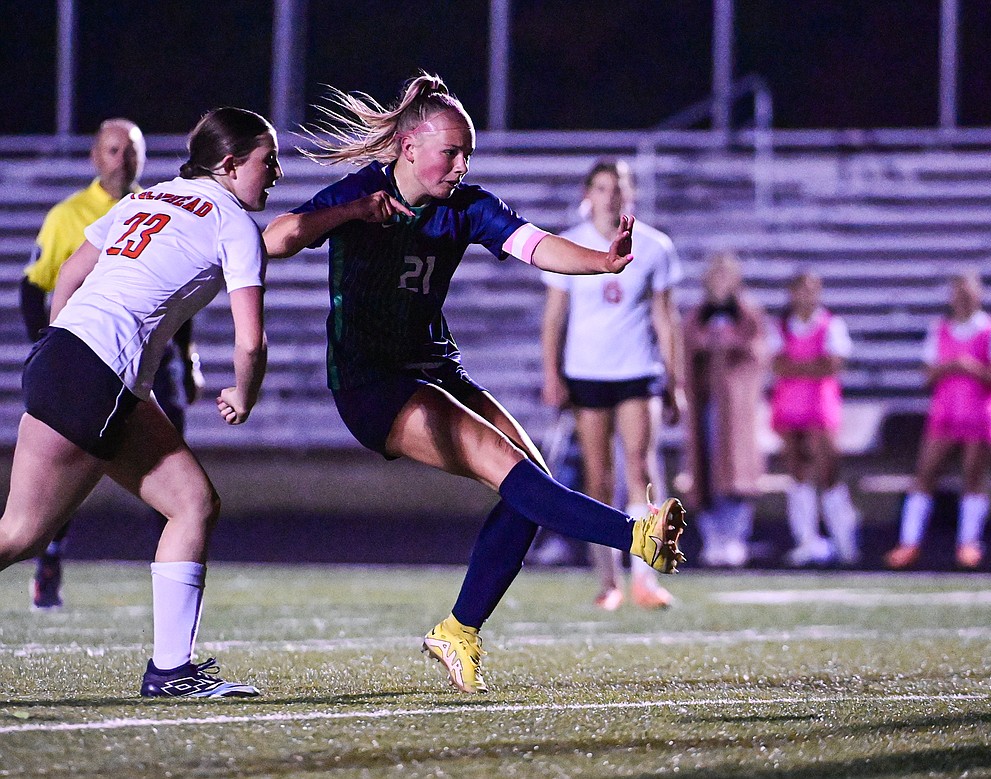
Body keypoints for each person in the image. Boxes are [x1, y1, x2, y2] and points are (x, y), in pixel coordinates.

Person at [262, 73, 686, 694]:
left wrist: (599, 261)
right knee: (511, 472)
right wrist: (351, 212)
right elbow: (274, 241)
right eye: (450, 152)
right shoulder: (362, 192)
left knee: (529, 485)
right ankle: (635, 537)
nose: (460, 165)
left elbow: (534, 245)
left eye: (468, 153)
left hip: (436, 367)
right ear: (409, 146)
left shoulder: (466, 204)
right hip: (370, 383)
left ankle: (459, 631)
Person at [1, 107, 280, 697]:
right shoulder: (234, 224)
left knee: (192, 503)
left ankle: (172, 670)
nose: (275, 173)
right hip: (96, 374)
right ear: (230, 164)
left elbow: (70, 276)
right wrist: (243, 395)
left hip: (65, 356)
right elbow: (251, 340)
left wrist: (62, 348)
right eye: (266, 160)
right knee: (22, 534)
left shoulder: (146, 198)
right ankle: (172, 670)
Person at [19, 118, 204, 610]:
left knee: (183, 494)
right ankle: (52, 561)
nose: (123, 159)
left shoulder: (157, 203)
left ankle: (165, 580)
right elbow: (39, 284)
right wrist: (52, 343)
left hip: (149, 364)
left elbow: (173, 296)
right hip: (90, 361)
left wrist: (187, 359)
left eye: (132, 150)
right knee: (37, 519)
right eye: (113, 149)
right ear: (95, 157)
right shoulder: (70, 215)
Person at [540, 158, 685, 610]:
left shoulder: (655, 246)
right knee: (598, 479)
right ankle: (608, 581)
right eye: (602, 188)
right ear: (589, 194)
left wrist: (675, 379)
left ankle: (646, 576)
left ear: (630, 194)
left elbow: (666, 319)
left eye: (618, 187)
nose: (610, 195)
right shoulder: (571, 244)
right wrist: (552, 374)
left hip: (636, 373)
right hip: (586, 374)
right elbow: (554, 317)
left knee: (641, 471)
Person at [885, 271, 991, 570]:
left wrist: (971, 368)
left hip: (980, 414)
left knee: (973, 478)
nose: (963, 299)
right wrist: (951, 367)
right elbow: (927, 374)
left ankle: (968, 543)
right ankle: (909, 542)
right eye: (959, 293)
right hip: (945, 413)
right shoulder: (940, 329)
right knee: (924, 474)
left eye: (968, 293)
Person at [680, 251, 768, 568]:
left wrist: (725, 344)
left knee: (736, 473)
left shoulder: (747, 316)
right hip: (705, 403)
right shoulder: (697, 316)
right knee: (706, 470)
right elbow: (686, 349)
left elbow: (757, 353)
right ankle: (713, 537)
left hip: (736, 409)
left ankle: (735, 537)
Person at [771, 271, 860, 566]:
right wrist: (810, 365)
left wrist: (797, 366)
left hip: (820, 408)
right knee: (797, 472)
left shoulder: (830, 324)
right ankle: (807, 541)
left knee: (828, 471)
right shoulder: (782, 326)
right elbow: (777, 364)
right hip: (789, 407)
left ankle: (844, 539)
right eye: (801, 289)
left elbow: (831, 365)